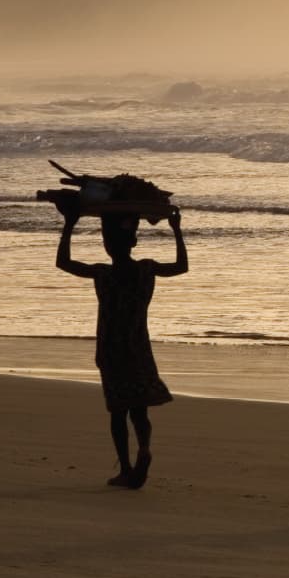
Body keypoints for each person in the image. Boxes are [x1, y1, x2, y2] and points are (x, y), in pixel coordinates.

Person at [56, 204, 188, 490]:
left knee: (118, 412)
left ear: (107, 246)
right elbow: (181, 267)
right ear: (134, 242)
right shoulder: (146, 270)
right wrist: (176, 231)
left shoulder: (103, 274)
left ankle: (126, 469)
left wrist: (69, 224)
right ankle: (144, 448)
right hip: (138, 347)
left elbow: (63, 263)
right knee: (139, 410)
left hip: (111, 349)